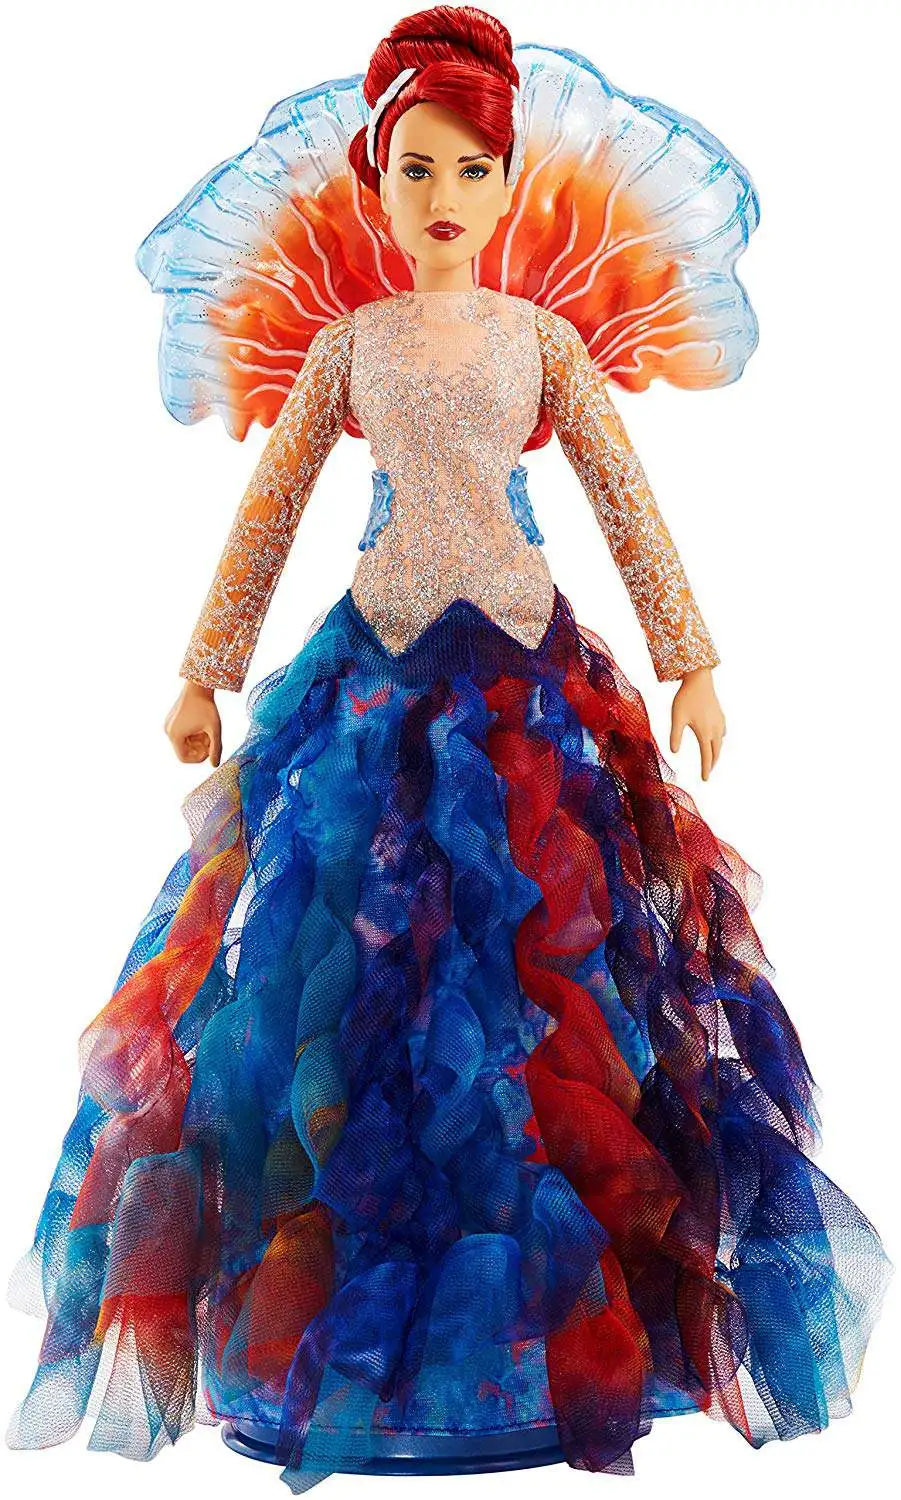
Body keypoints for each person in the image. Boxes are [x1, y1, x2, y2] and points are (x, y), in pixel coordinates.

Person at [6, 6, 893, 1493]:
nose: (443, 196)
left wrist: (693, 660)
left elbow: (623, 493)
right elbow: (270, 511)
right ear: (379, 181)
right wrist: (204, 669)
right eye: (416, 168)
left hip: (528, 681)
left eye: (472, 170)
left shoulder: (541, 343)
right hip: (374, 678)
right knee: (355, 994)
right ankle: (364, 1339)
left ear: (505, 183)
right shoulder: (349, 347)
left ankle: (536, 1338)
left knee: (546, 998)